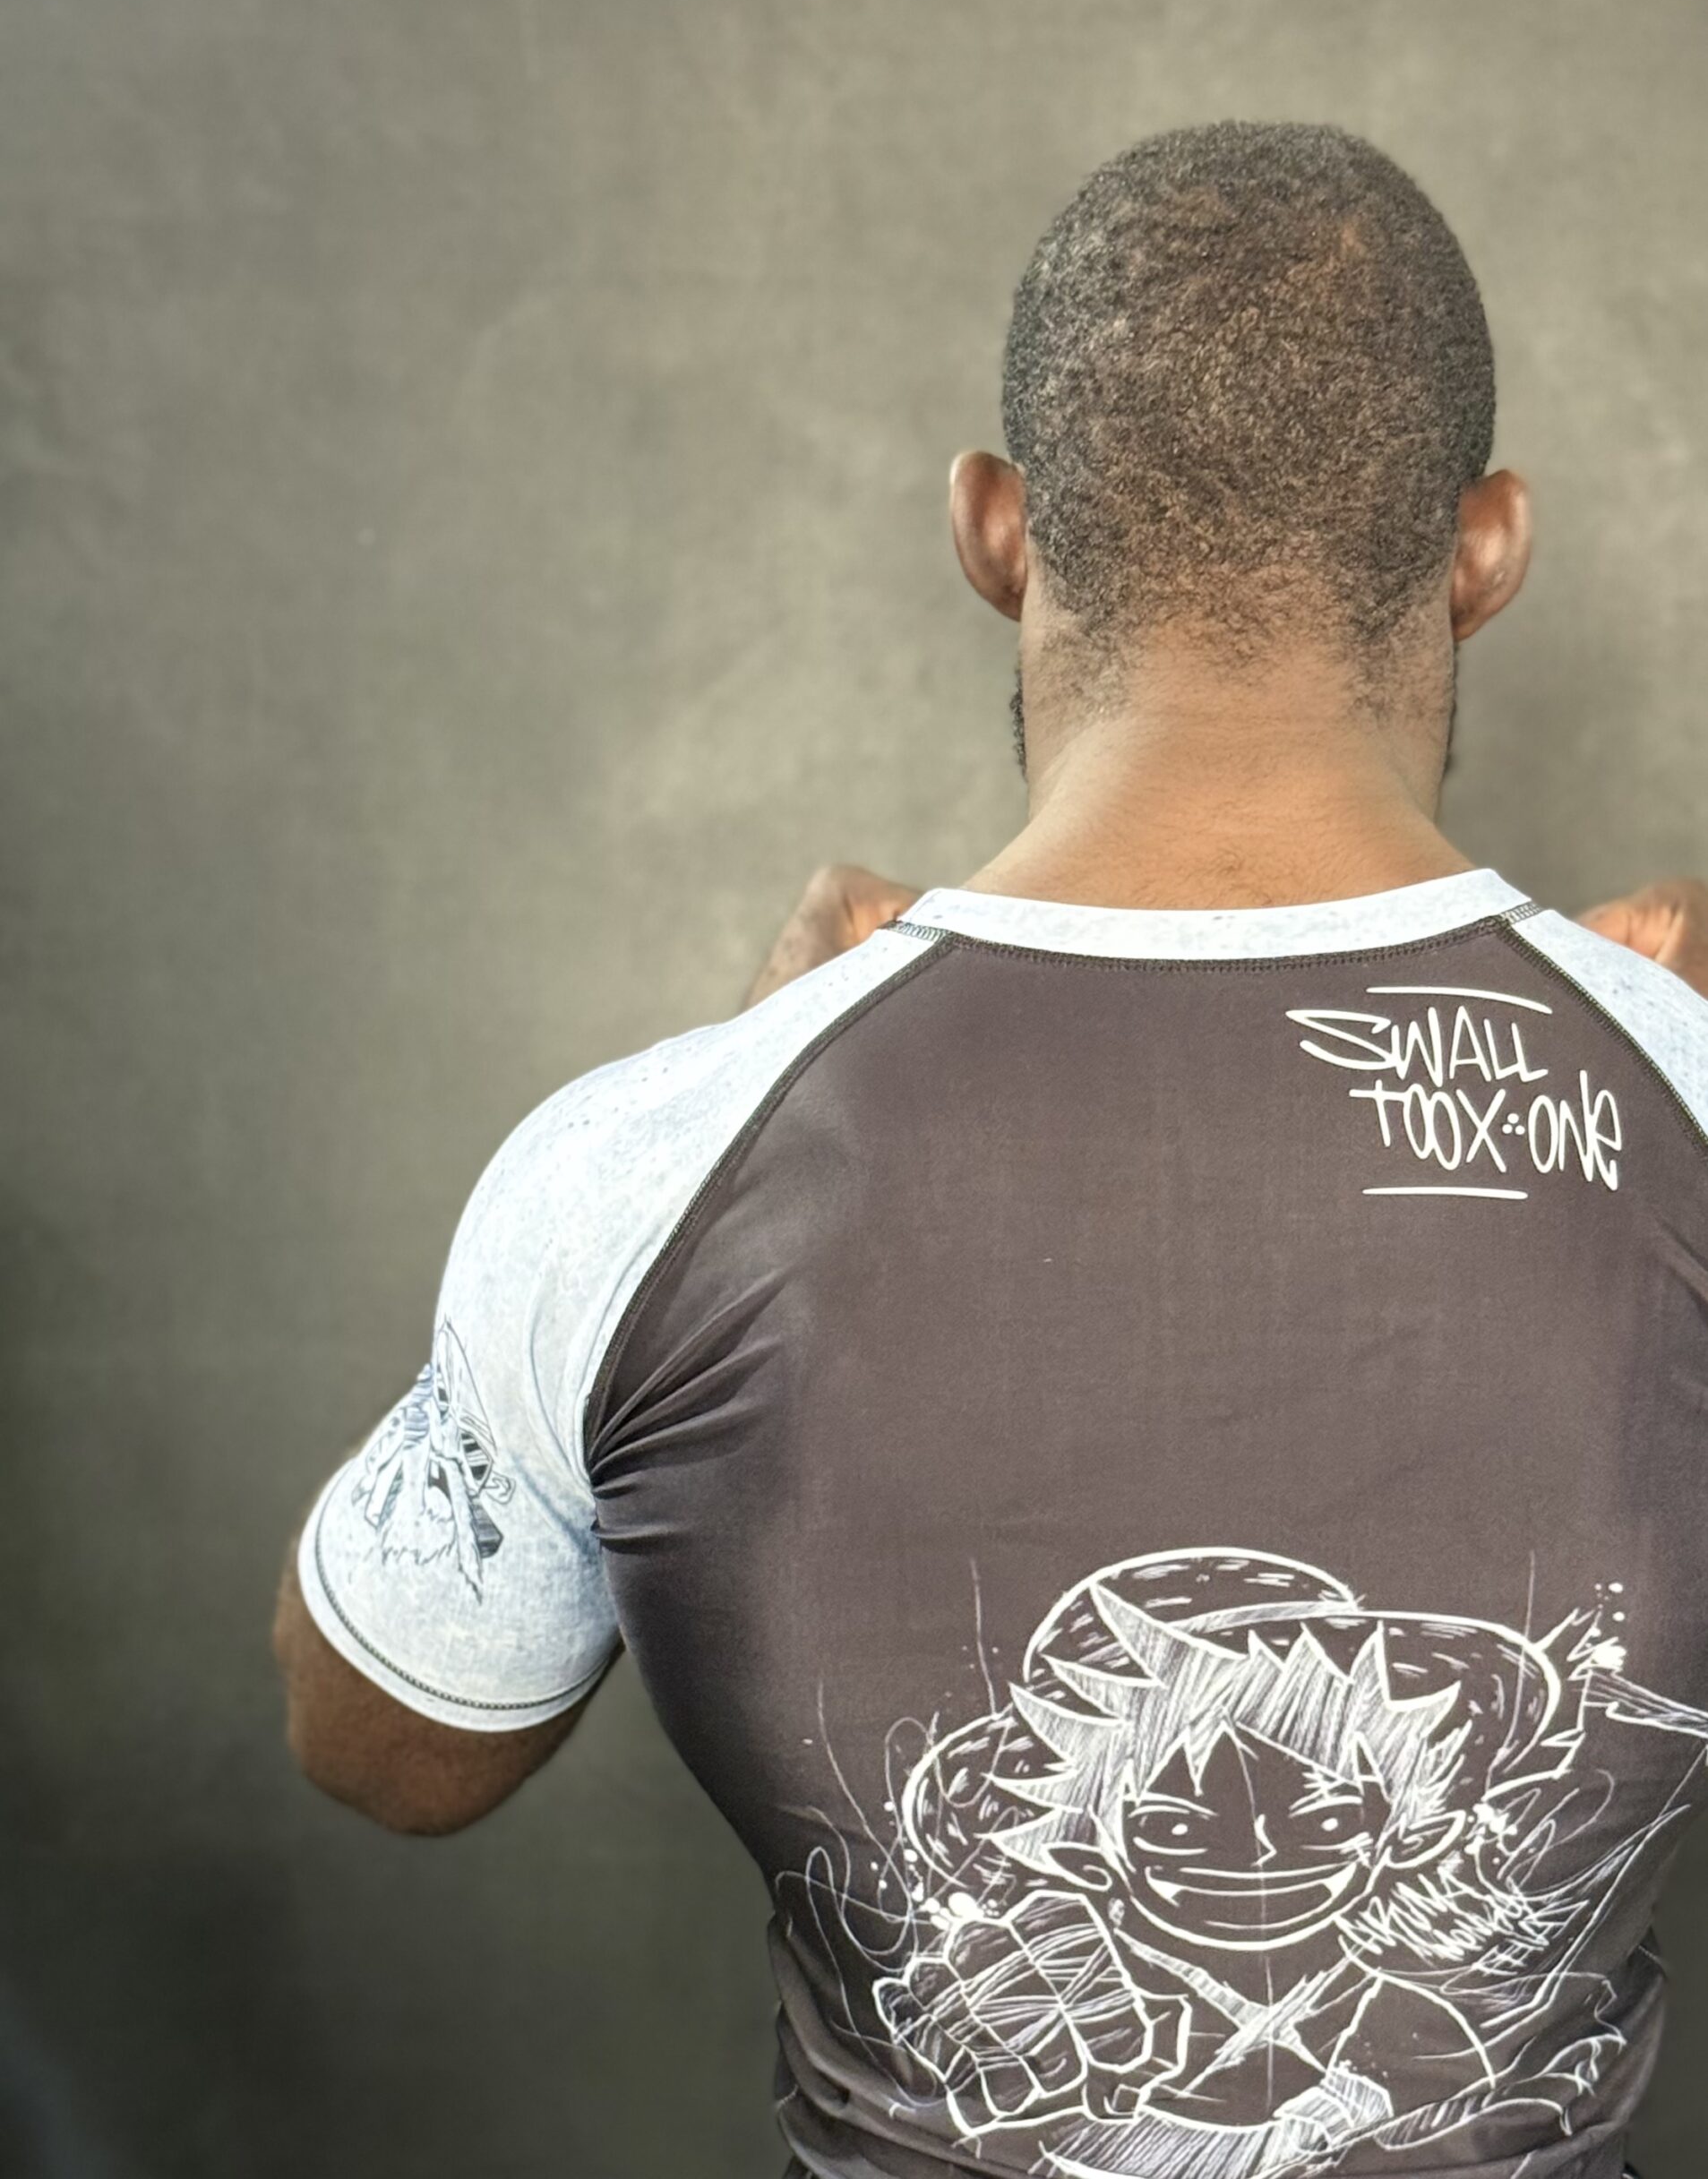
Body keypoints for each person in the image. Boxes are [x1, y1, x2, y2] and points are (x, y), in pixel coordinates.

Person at [274, 122, 1708, 2179]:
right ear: (1487, 547)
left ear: (996, 527)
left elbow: (382, 1740)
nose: (1249, 1838)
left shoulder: (657, 1161)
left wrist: (761, 1064)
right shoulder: (1681, 1106)